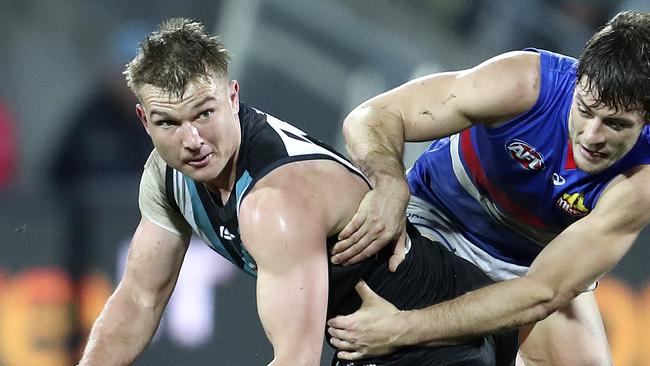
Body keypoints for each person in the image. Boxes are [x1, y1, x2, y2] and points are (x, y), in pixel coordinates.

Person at [76, 18, 518, 366]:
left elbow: (296, 360)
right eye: (168, 123)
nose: (191, 140)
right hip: (388, 342)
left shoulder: (274, 202)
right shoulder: (165, 175)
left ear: (233, 96)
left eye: (204, 113)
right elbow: (139, 297)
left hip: (440, 335)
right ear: (142, 120)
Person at [327, 10, 650, 366]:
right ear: (577, 81)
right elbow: (373, 115)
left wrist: (400, 328)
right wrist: (389, 183)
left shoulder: (642, 179)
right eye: (585, 110)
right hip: (439, 222)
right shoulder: (524, 83)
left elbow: (543, 292)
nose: (592, 136)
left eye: (615, 124)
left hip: (533, 268)